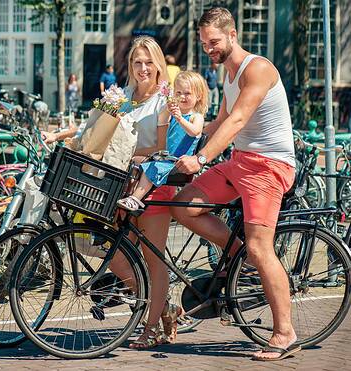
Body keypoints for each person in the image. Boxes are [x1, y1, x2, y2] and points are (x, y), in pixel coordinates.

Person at [171, 7, 297, 361]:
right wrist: (175, 140)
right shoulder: (228, 75)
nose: (209, 49)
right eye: (204, 44)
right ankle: (238, 255)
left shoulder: (256, 68)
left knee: (261, 248)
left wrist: (201, 158)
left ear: (232, 35)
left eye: (214, 42)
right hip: (240, 162)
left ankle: (285, 332)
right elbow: (218, 123)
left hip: (269, 166)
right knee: (186, 204)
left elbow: (238, 120)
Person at [97, 36, 180, 350]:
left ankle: (150, 329)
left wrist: (129, 152)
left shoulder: (165, 99)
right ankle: (162, 307)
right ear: (130, 65)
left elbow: (165, 149)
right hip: (123, 185)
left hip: (154, 184)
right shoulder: (124, 95)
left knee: (153, 260)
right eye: (137, 62)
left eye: (148, 62)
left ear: (158, 64)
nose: (143, 68)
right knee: (117, 258)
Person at [117, 71, 207, 211]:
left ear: (199, 96)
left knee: (151, 168)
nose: (182, 97)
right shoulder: (175, 114)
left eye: (187, 93)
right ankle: (128, 193)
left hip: (179, 162)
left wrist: (180, 119)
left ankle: (135, 199)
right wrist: (168, 108)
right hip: (165, 156)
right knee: (134, 161)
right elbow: (162, 121)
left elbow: (194, 131)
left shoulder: (196, 116)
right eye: (178, 93)